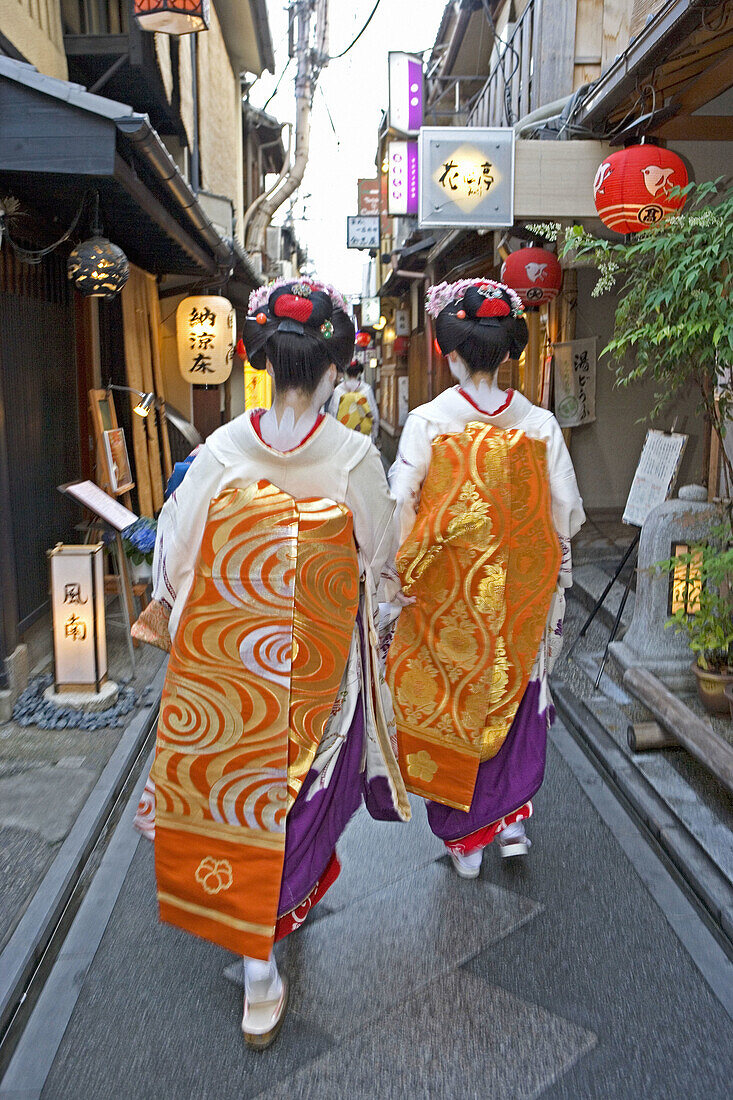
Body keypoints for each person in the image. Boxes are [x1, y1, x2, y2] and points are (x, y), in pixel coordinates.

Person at [132, 277, 409, 1048]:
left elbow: (176, 565)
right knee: (305, 797)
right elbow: (380, 565)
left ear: (257, 359)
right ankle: (265, 941)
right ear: (333, 369)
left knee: (237, 802)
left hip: (229, 674)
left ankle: (257, 961)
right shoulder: (354, 456)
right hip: (319, 678)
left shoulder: (220, 451)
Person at [386, 277, 584, 878]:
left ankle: (466, 839)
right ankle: (513, 822)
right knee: (518, 694)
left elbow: (402, 504)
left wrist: (399, 579)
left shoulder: (430, 421)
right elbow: (566, 513)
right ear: (506, 354)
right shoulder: (539, 424)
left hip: (449, 598)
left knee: (452, 704)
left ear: (449, 353)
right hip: (521, 595)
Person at [329, 359, 380, 442]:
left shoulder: (339, 390)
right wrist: (374, 434)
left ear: (346, 372)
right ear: (359, 373)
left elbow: (333, 412)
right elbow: (374, 414)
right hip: (363, 437)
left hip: (343, 436)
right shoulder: (366, 389)